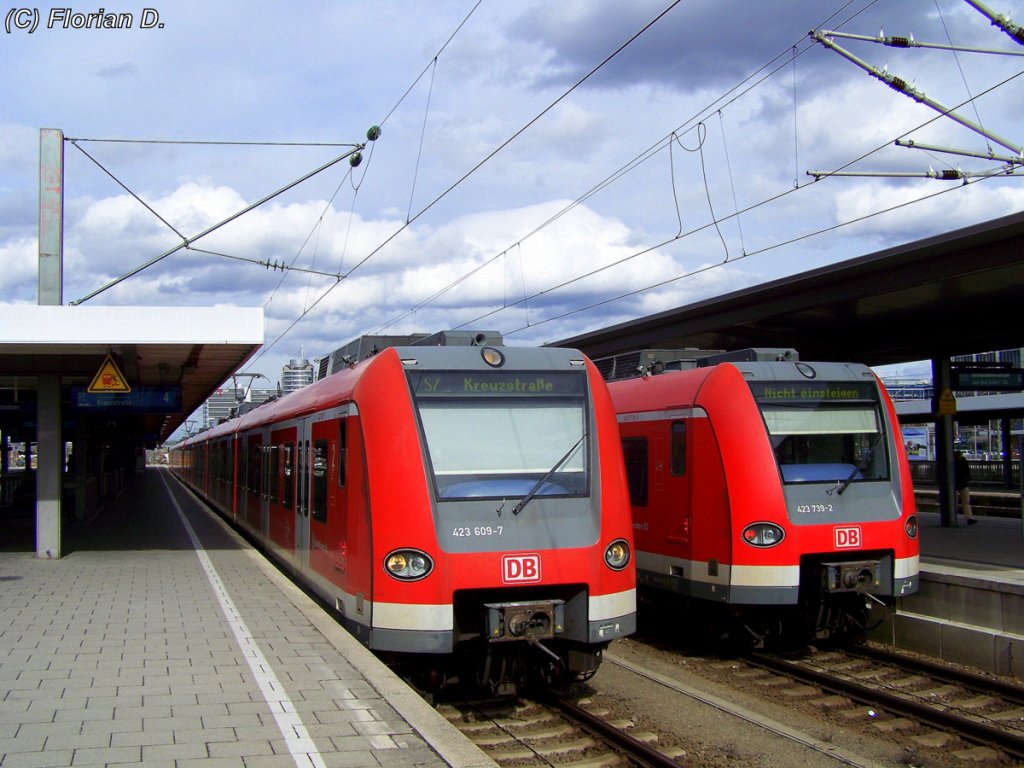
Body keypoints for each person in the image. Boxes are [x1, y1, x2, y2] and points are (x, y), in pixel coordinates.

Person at [954, 451, 976, 525]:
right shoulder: (962, 461)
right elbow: (967, 470)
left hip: (959, 483)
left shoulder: (960, 461)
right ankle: (967, 518)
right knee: (965, 502)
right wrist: (969, 478)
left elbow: (967, 470)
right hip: (961, 483)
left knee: (962, 502)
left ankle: (969, 518)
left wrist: (968, 478)